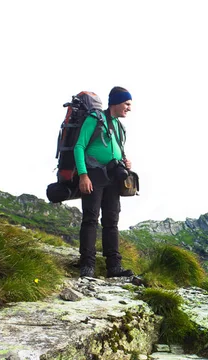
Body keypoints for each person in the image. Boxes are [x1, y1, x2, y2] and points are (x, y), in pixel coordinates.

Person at [74, 86, 134, 278]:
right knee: (90, 220)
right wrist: (83, 175)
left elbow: (116, 150)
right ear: (116, 102)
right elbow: (79, 147)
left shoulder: (119, 126)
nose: (129, 108)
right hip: (93, 176)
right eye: (127, 104)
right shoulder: (95, 119)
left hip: (113, 178)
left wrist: (126, 162)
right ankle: (87, 266)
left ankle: (114, 267)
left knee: (111, 222)